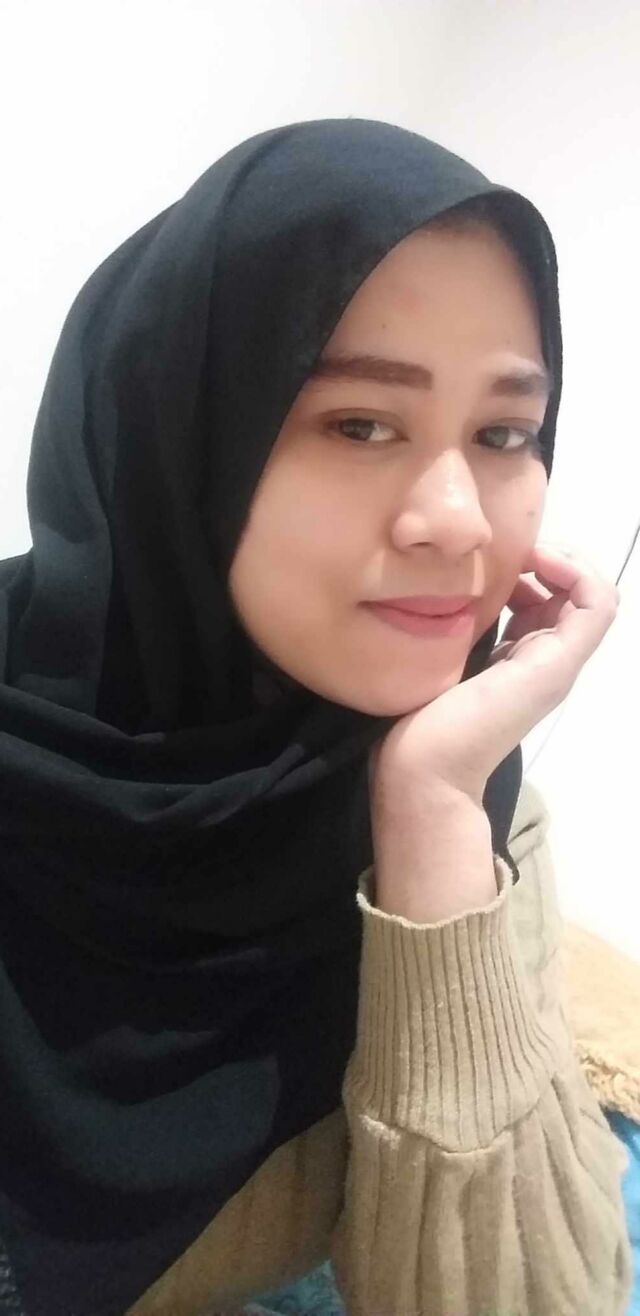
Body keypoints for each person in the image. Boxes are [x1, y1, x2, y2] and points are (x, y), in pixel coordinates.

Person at [0, 118, 633, 1316]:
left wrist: (431, 817)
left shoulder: (482, 819)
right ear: (177, 436)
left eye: (503, 433)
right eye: (360, 424)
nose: (459, 519)